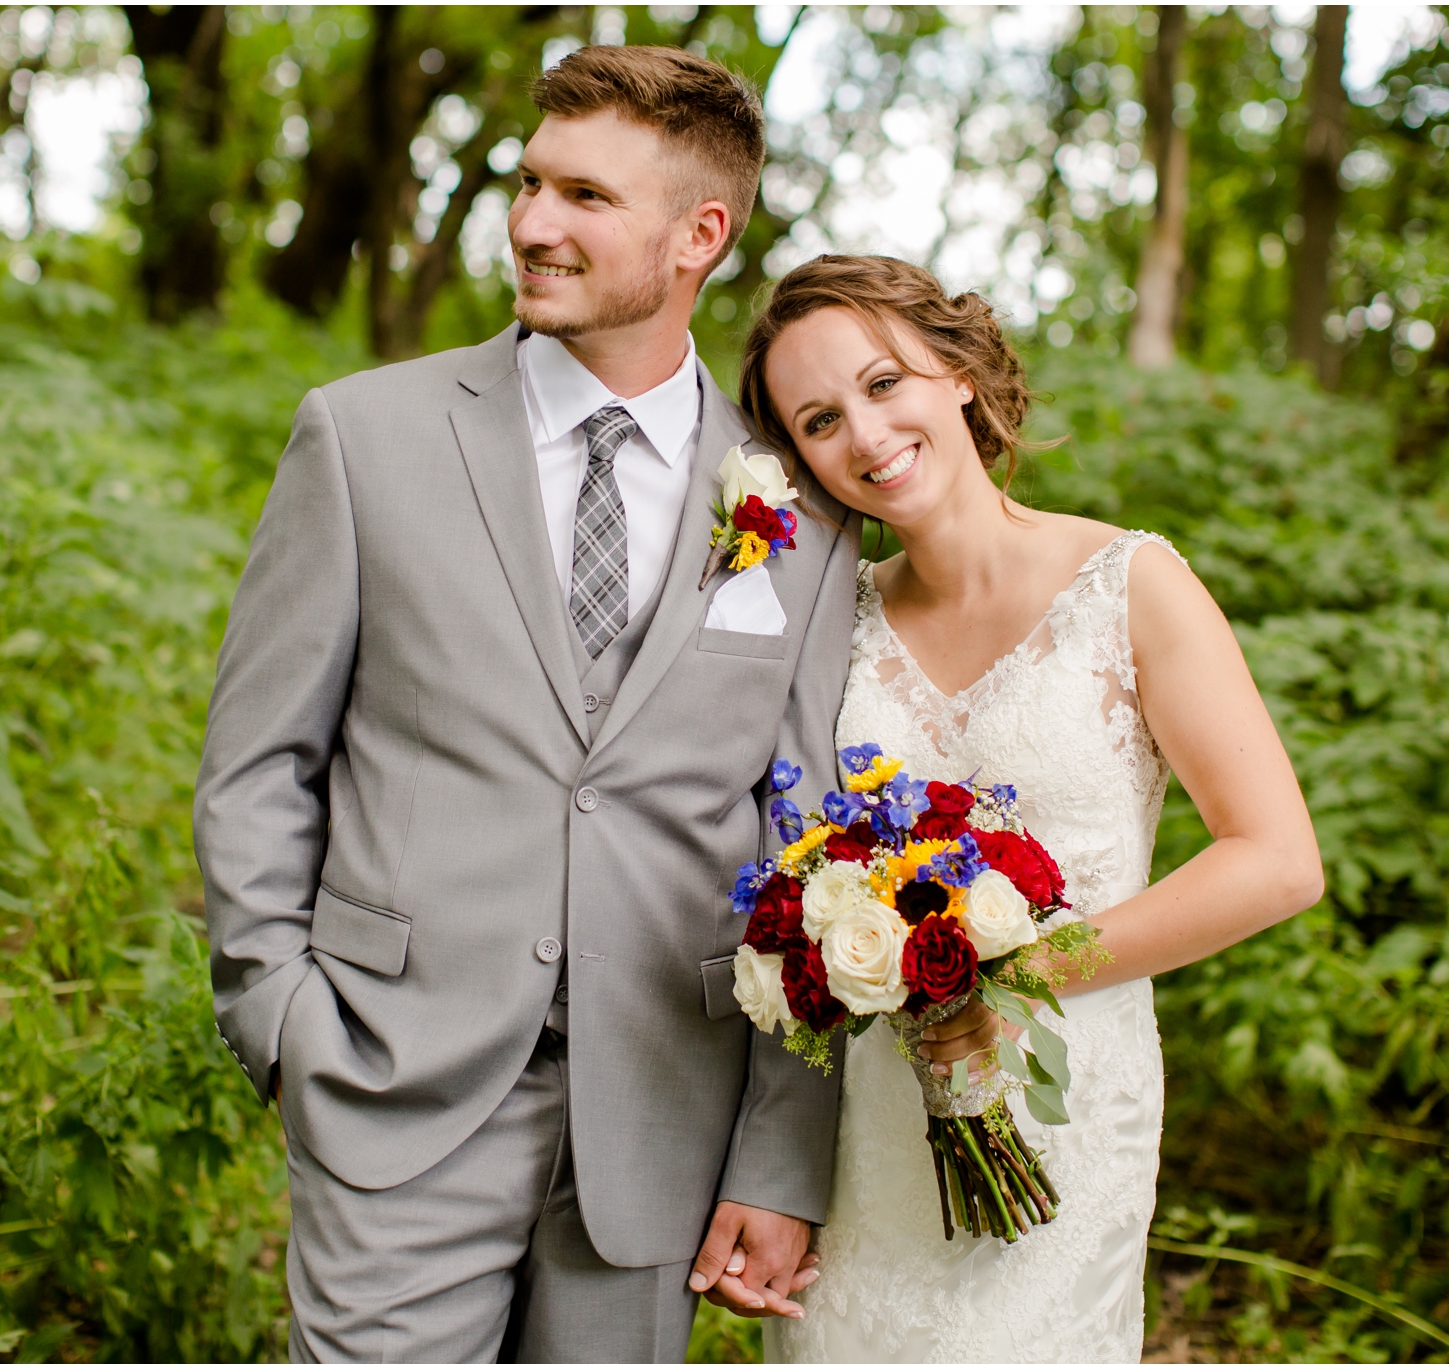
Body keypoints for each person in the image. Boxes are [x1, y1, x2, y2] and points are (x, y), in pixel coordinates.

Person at [197, 46, 1000, 1363]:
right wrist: (283, 1024)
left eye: (582, 195)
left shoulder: (797, 507)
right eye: (526, 184)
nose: (530, 223)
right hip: (394, 1087)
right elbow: (256, 764)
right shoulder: (363, 437)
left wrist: (780, 1155)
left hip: (661, 1122)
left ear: (700, 235)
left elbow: (803, 849)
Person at [740, 255, 1325, 1363]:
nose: (862, 438)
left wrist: (1017, 975)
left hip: (1065, 1108)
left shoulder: (1129, 584)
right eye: (818, 420)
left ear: (955, 369)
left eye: (882, 383)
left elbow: (1275, 859)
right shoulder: (827, 625)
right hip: (868, 1130)